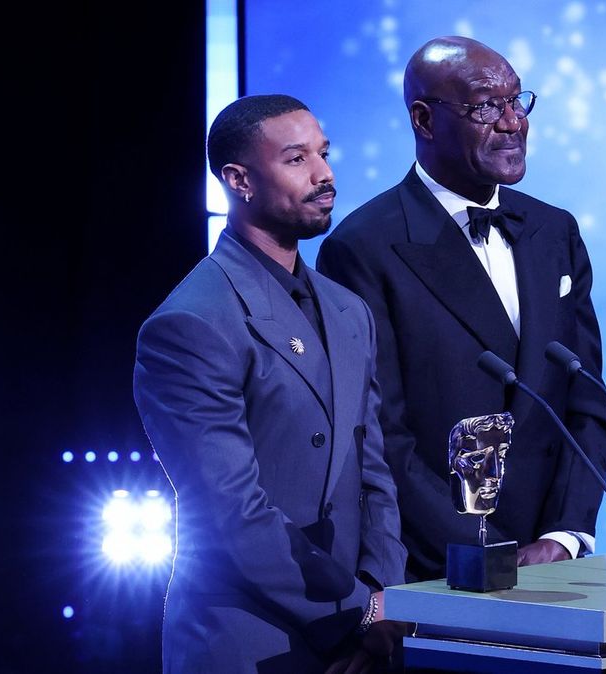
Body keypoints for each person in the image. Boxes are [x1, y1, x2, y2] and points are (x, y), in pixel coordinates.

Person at [316, 36, 606, 583]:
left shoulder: (555, 231)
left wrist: (565, 534)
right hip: (439, 568)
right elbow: (382, 434)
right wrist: (484, 550)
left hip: (554, 565)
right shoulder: (363, 248)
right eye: (485, 107)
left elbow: (586, 399)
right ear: (425, 120)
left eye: (516, 101)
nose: (513, 123)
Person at [133, 94, 409, 674]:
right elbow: (229, 510)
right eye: (296, 158)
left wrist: (383, 596)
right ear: (239, 180)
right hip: (249, 641)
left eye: (324, 153)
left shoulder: (348, 309)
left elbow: (373, 473)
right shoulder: (192, 322)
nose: (324, 174)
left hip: (364, 641)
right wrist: (358, 612)